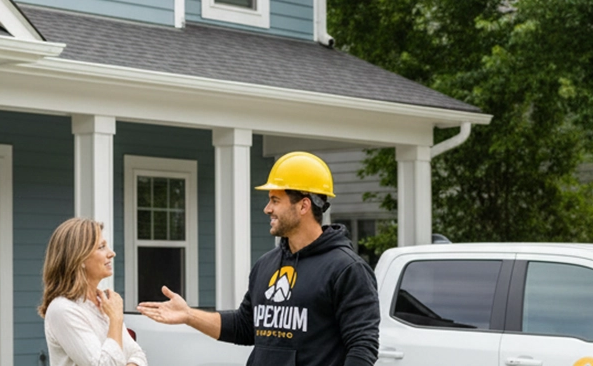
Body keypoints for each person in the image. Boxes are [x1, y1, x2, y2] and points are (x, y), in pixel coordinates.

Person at [137, 151, 380, 366]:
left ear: (304, 206)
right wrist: (189, 315)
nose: (267, 209)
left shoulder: (347, 269)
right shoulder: (266, 264)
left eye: (275, 200)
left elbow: (362, 347)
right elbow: (245, 326)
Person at [39, 217, 148, 366]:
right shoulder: (63, 309)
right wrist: (116, 319)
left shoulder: (104, 303)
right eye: (101, 247)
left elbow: (137, 355)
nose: (112, 253)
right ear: (79, 259)